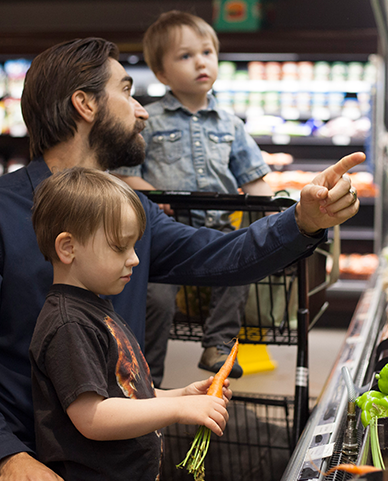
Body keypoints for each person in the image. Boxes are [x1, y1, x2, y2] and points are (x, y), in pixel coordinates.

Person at [0, 36, 363, 481]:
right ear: (84, 104)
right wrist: (8, 460)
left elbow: (221, 254)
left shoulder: (133, 213)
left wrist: (302, 220)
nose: (144, 111)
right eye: (128, 91)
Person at [29, 167, 231, 480]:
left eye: (134, 246)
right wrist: (177, 412)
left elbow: (128, 396)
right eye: (119, 246)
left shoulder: (96, 310)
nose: (134, 258)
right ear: (68, 248)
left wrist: (183, 395)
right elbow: (93, 417)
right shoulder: (69, 324)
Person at [112, 10, 272, 384]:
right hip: (163, 235)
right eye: (185, 56)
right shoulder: (147, 120)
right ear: (163, 74)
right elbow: (123, 176)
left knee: (240, 268)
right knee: (156, 299)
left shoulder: (231, 124)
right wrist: (153, 194)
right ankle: (148, 375)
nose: (200, 62)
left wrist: (276, 213)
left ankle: (217, 344)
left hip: (217, 230)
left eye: (207, 53)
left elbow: (255, 179)